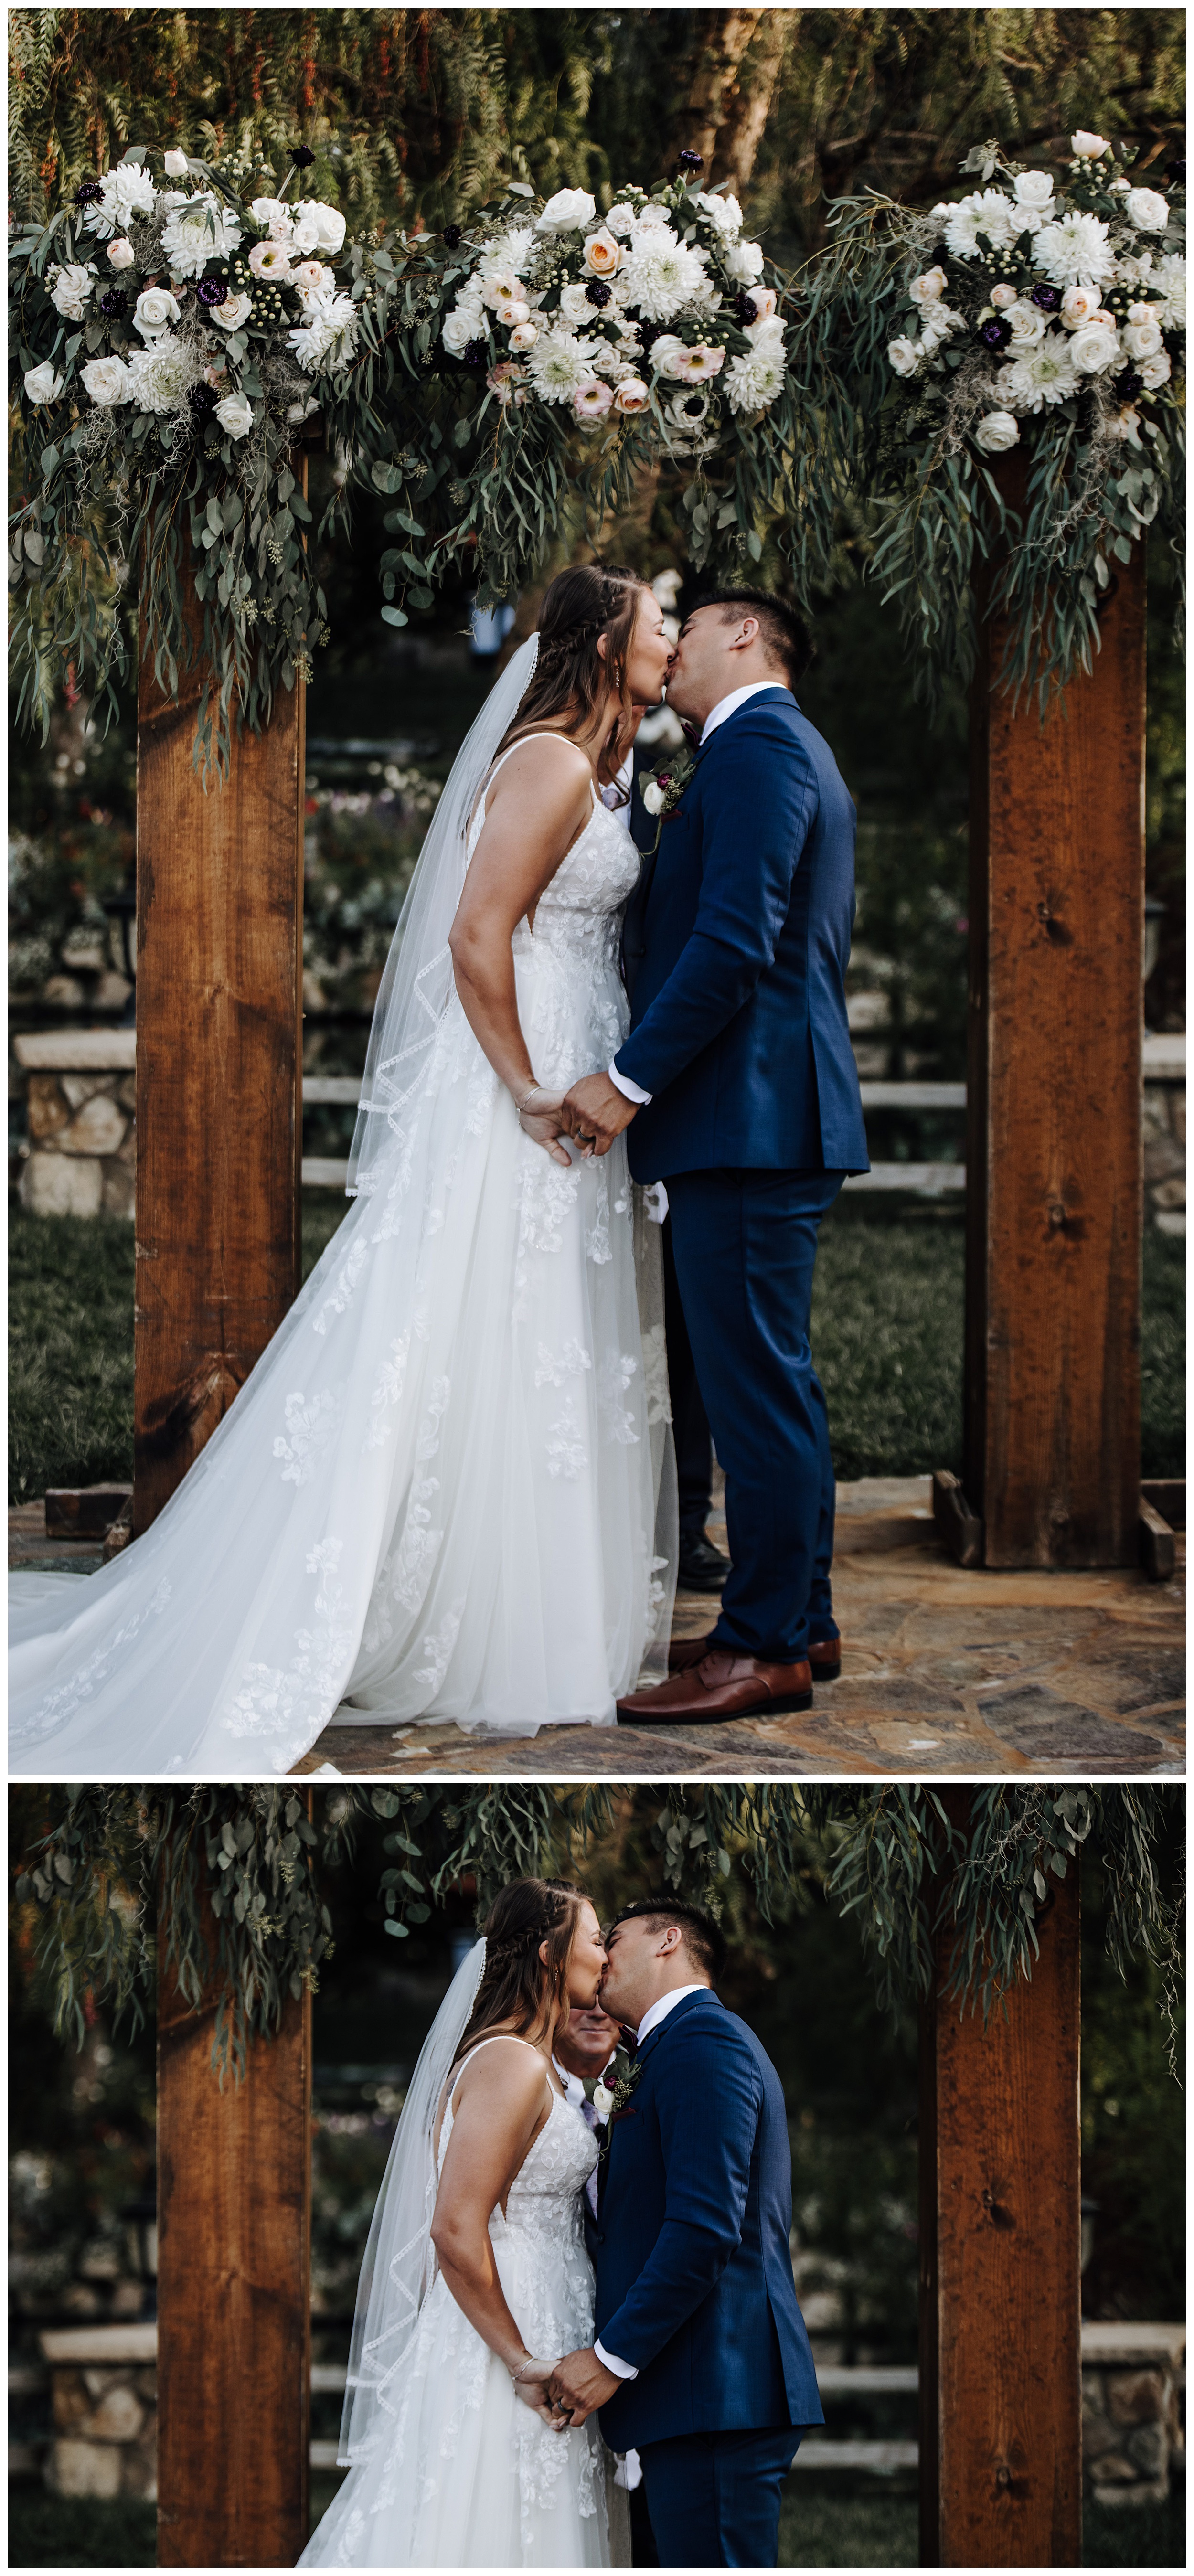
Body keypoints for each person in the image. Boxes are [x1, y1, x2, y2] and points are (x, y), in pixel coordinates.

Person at [9, 567, 678, 1775]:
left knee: (543, 1345)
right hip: (518, 1093)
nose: (670, 635)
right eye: (656, 621)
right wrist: (528, 1088)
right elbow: (478, 936)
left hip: (577, 1071)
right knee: (474, 1326)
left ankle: (527, 1608)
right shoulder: (549, 765)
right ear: (598, 644)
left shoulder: (606, 765)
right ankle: (419, 1615)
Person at [564, 591, 868, 1723]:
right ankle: (797, 1613)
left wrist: (628, 1078)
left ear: (743, 637)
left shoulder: (760, 748)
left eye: (685, 624)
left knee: (754, 1393)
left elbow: (737, 940)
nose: (670, 641)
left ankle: (764, 1649)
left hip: (748, 1115)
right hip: (754, 1114)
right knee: (769, 1380)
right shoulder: (753, 751)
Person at [301, 1877, 630, 2567]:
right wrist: (520, 2359)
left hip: (546, 2309)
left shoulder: (530, 2059)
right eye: (598, 1939)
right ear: (548, 1952)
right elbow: (454, 2226)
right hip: (506, 2330)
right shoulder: (509, 2060)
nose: (607, 1957)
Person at [546, 1898, 823, 2569]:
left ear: (669, 1940)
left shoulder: (705, 2041)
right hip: (688, 2393)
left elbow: (703, 2228)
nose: (603, 1956)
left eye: (615, 1938)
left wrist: (609, 2358)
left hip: (717, 2392)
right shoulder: (660, 2051)